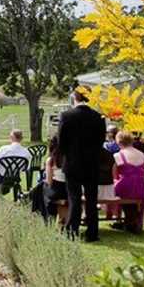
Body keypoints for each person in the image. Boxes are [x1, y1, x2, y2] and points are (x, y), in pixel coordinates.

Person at [57, 89, 106, 242]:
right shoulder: (98, 117)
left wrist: (66, 155)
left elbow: (61, 141)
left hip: (72, 162)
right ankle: (92, 232)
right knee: (92, 199)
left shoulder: (67, 116)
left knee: (74, 197)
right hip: (92, 163)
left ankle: (72, 230)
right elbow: (101, 140)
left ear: (74, 98)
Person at [113, 131, 144, 233]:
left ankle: (118, 218)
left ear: (119, 142)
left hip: (125, 186)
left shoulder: (118, 155)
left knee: (112, 188)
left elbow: (114, 175)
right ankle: (132, 221)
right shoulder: (142, 154)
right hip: (141, 187)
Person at [43, 136, 68, 222]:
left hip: (58, 189)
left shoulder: (51, 160)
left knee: (43, 191)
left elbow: (49, 181)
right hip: (70, 189)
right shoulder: (71, 158)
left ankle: (49, 218)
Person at [97, 147, 117, 220]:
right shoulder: (109, 154)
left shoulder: (88, 152)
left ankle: (85, 215)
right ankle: (110, 212)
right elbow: (113, 172)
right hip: (109, 185)